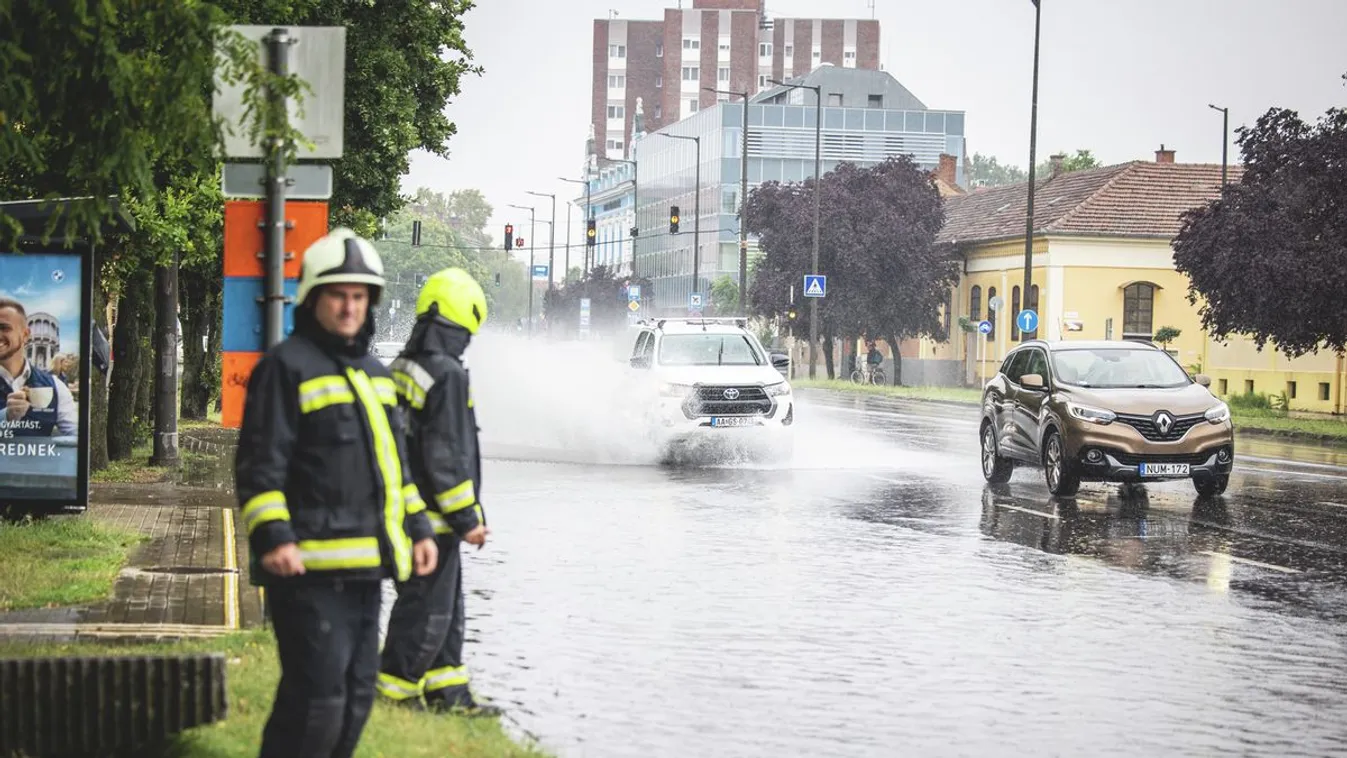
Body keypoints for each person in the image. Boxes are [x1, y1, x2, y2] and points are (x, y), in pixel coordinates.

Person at [234, 228, 439, 758]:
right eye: (338, 294)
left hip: (366, 572)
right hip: (304, 571)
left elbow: (396, 470)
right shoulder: (285, 368)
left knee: (355, 696)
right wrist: (274, 537)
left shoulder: (376, 375)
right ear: (313, 299)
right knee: (316, 698)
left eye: (359, 296)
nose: (349, 307)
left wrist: (418, 528)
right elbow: (261, 465)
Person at [377, 267, 499, 717]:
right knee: (427, 609)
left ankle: (448, 690)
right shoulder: (447, 374)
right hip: (435, 519)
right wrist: (469, 519)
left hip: (411, 510)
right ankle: (396, 691)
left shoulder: (404, 366)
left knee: (445, 607)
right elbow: (446, 455)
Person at [0, 297, 77, 437]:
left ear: (25, 335)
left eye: (4, 328)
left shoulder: (56, 387)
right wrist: (5, 417)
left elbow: (77, 435)